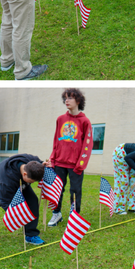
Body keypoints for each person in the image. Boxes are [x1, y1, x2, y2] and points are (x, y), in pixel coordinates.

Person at [47, 88, 92, 227]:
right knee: (58, 189)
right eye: (65, 98)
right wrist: (52, 159)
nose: (66, 100)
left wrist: (80, 164)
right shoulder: (60, 119)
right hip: (59, 163)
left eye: (70, 98)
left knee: (75, 191)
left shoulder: (85, 121)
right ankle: (56, 214)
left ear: (78, 100)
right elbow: (56, 141)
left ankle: (74, 217)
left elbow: (88, 144)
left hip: (75, 165)